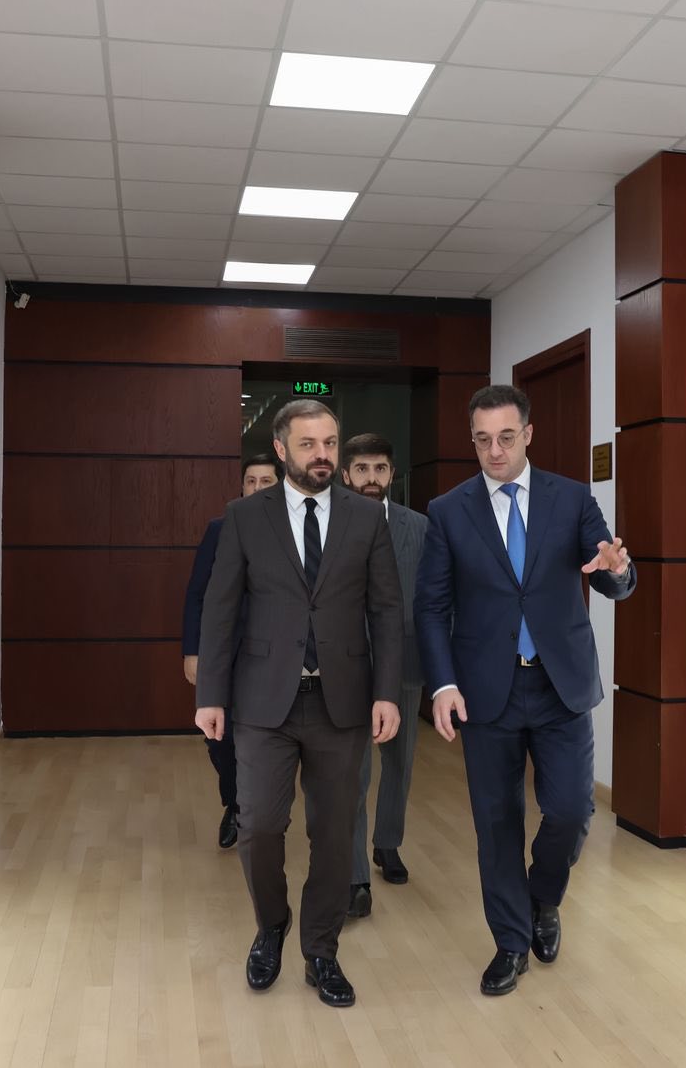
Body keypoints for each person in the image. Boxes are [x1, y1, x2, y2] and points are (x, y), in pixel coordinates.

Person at [414, 384, 635, 997]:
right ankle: (511, 942)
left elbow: (610, 572)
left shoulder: (572, 499)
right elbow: (430, 607)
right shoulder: (448, 511)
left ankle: (543, 897)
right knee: (497, 821)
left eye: (506, 438)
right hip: (487, 690)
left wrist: (617, 570)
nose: (495, 451)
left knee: (571, 810)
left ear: (528, 434)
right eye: (483, 440)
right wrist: (443, 683)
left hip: (561, 685)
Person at [195, 399, 403, 1009]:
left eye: (330, 444)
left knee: (335, 834)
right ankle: (271, 926)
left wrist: (388, 692)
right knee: (259, 825)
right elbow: (220, 609)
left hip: (343, 701)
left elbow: (387, 610)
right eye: (309, 444)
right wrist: (211, 695)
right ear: (282, 448)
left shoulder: (365, 518)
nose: (322, 456)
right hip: (263, 702)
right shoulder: (244, 517)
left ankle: (321, 950)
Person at [338, 433, 428, 919]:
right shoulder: (328, 523)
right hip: (349, 666)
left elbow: (433, 600)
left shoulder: (420, 527)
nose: (370, 478)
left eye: (379, 469)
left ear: (392, 474)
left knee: (400, 762)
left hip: (406, 663)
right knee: (354, 773)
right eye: (361, 469)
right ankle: (355, 875)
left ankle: (387, 843)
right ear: (345, 474)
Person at [181, 453, 280, 848]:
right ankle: (235, 803)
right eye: (250, 481)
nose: (256, 488)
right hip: (225, 655)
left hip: (273, 658)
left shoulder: (296, 531)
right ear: (242, 487)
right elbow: (197, 594)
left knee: (266, 740)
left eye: (266, 481)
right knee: (219, 739)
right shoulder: (219, 530)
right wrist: (193, 651)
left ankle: (254, 812)